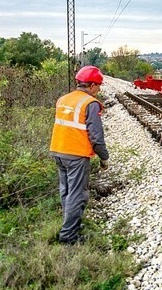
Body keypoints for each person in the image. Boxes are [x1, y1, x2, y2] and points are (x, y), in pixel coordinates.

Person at [49, 65, 110, 244]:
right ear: (91, 85)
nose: (98, 90)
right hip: (76, 155)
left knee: (66, 192)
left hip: (58, 150)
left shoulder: (63, 99)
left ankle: (68, 226)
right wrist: (104, 158)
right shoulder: (89, 104)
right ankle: (68, 238)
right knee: (77, 195)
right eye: (98, 86)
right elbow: (96, 137)